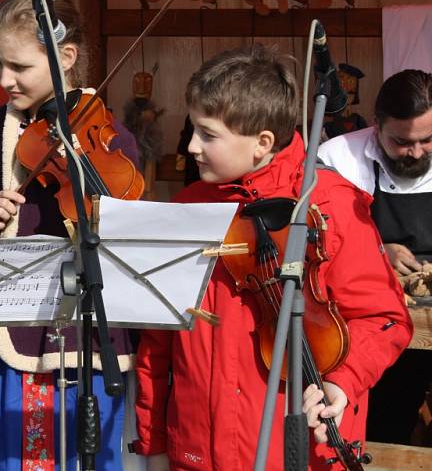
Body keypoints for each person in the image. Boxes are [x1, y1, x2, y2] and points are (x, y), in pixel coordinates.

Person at [133, 45, 412, 469]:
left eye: (208, 135)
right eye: (193, 130)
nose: (191, 146)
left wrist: (345, 380)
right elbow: (158, 342)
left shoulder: (329, 206)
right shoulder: (187, 211)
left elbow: (385, 318)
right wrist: (152, 444)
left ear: (263, 142)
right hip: (197, 451)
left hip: (295, 451)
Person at [0, 0, 140, 470]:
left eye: (20, 67)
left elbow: (129, 236)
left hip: (84, 342)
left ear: (65, 56)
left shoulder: (110, 139)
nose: (5, 78)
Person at [318, 68, 432, 445]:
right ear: (376, 124)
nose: (416, 152)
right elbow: (319, 241)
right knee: (384, 420)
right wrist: (377, 249)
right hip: (372, 321)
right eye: (401, 142)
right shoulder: (338, 159)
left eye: (427, 140)